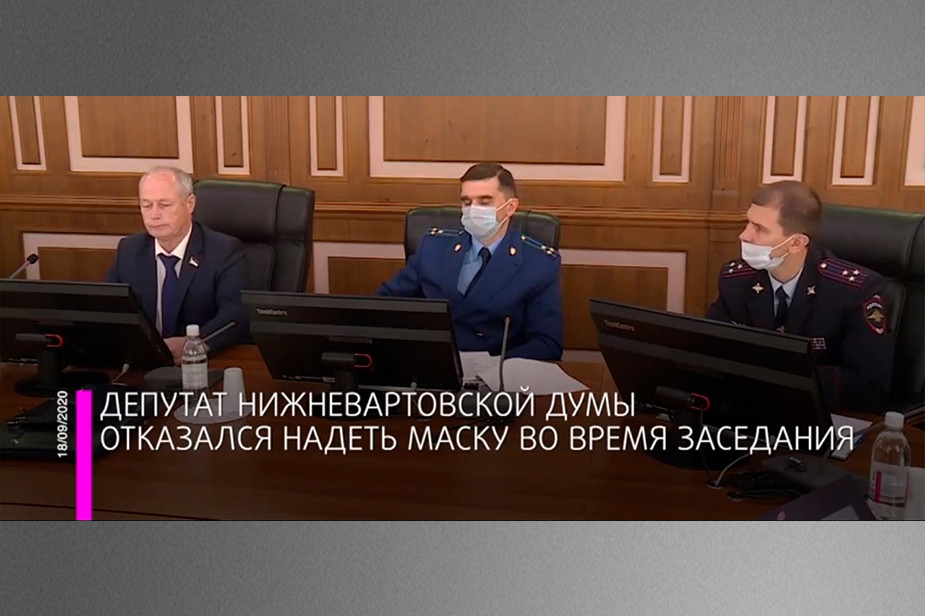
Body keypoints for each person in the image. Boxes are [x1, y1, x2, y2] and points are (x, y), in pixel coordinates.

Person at [707, 180, 895, 413]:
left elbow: (868, 386)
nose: (744, 235)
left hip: (822, 415)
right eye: (748, 223)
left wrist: (774, 376)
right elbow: (711, 351)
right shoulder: (736, 279)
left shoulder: (854, 291)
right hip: (749, 410)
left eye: (759, 229)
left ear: (796, 243)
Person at [379, 163, 563, 361]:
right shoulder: (433, 248)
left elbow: (547, 344)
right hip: (433, 362)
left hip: (497, 371)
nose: (473, 210)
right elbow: (386, 303)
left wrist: (494, 365)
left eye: (485, 202)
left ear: (510, 207)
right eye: (467, 202)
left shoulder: (539, 264)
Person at [105, 166, 246, 364]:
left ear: (189, 204)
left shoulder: (223, 251)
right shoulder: (130, 250)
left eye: (164, 205)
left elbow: (234, 315)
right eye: (146, 205)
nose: (154, 215)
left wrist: (195, 344)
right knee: (86, 385)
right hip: (142, 364)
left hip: (202, 365)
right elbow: (107, 307)